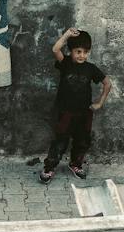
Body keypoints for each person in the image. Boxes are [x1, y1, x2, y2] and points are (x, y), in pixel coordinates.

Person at [41, 28, 110, 183]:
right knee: (60, 141)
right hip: (65, 112)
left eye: (85, 52)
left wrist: (100, 102)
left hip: (85, 113)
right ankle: (49, 167)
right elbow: (55, 49)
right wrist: (67, 35)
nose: (82, 55)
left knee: (82, 141)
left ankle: (75, 164)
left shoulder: (91, 68)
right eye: (78, 51)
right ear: (71, 51)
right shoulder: (65, 64)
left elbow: (107, 83)